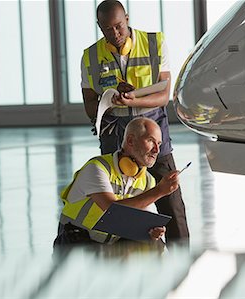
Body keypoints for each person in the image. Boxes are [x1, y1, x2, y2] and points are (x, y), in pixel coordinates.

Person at [80, 0, 189, 246]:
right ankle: (123, 259)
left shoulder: (154, 44)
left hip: (153, 139)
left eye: (119, 26)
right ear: (99, 27)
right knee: (119, 210)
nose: (115, 33)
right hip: (116, 140)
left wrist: (132, 101)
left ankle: (182, 261)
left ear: (127, 19)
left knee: (171, 204)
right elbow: (88, 104)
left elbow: (164, 95)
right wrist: (107, 101)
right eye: (107, 29)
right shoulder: (90, 56)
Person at [53, 117, 179, 250]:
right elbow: (112, 210)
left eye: (159, 144)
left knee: (154, 246)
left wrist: (152, 231)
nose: (156, 150)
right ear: (130, 141)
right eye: (151, 141)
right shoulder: (97, 168)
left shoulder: (148, 180)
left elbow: (142, 222)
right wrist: (159, 191)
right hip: (76, 241)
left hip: (110, 245)